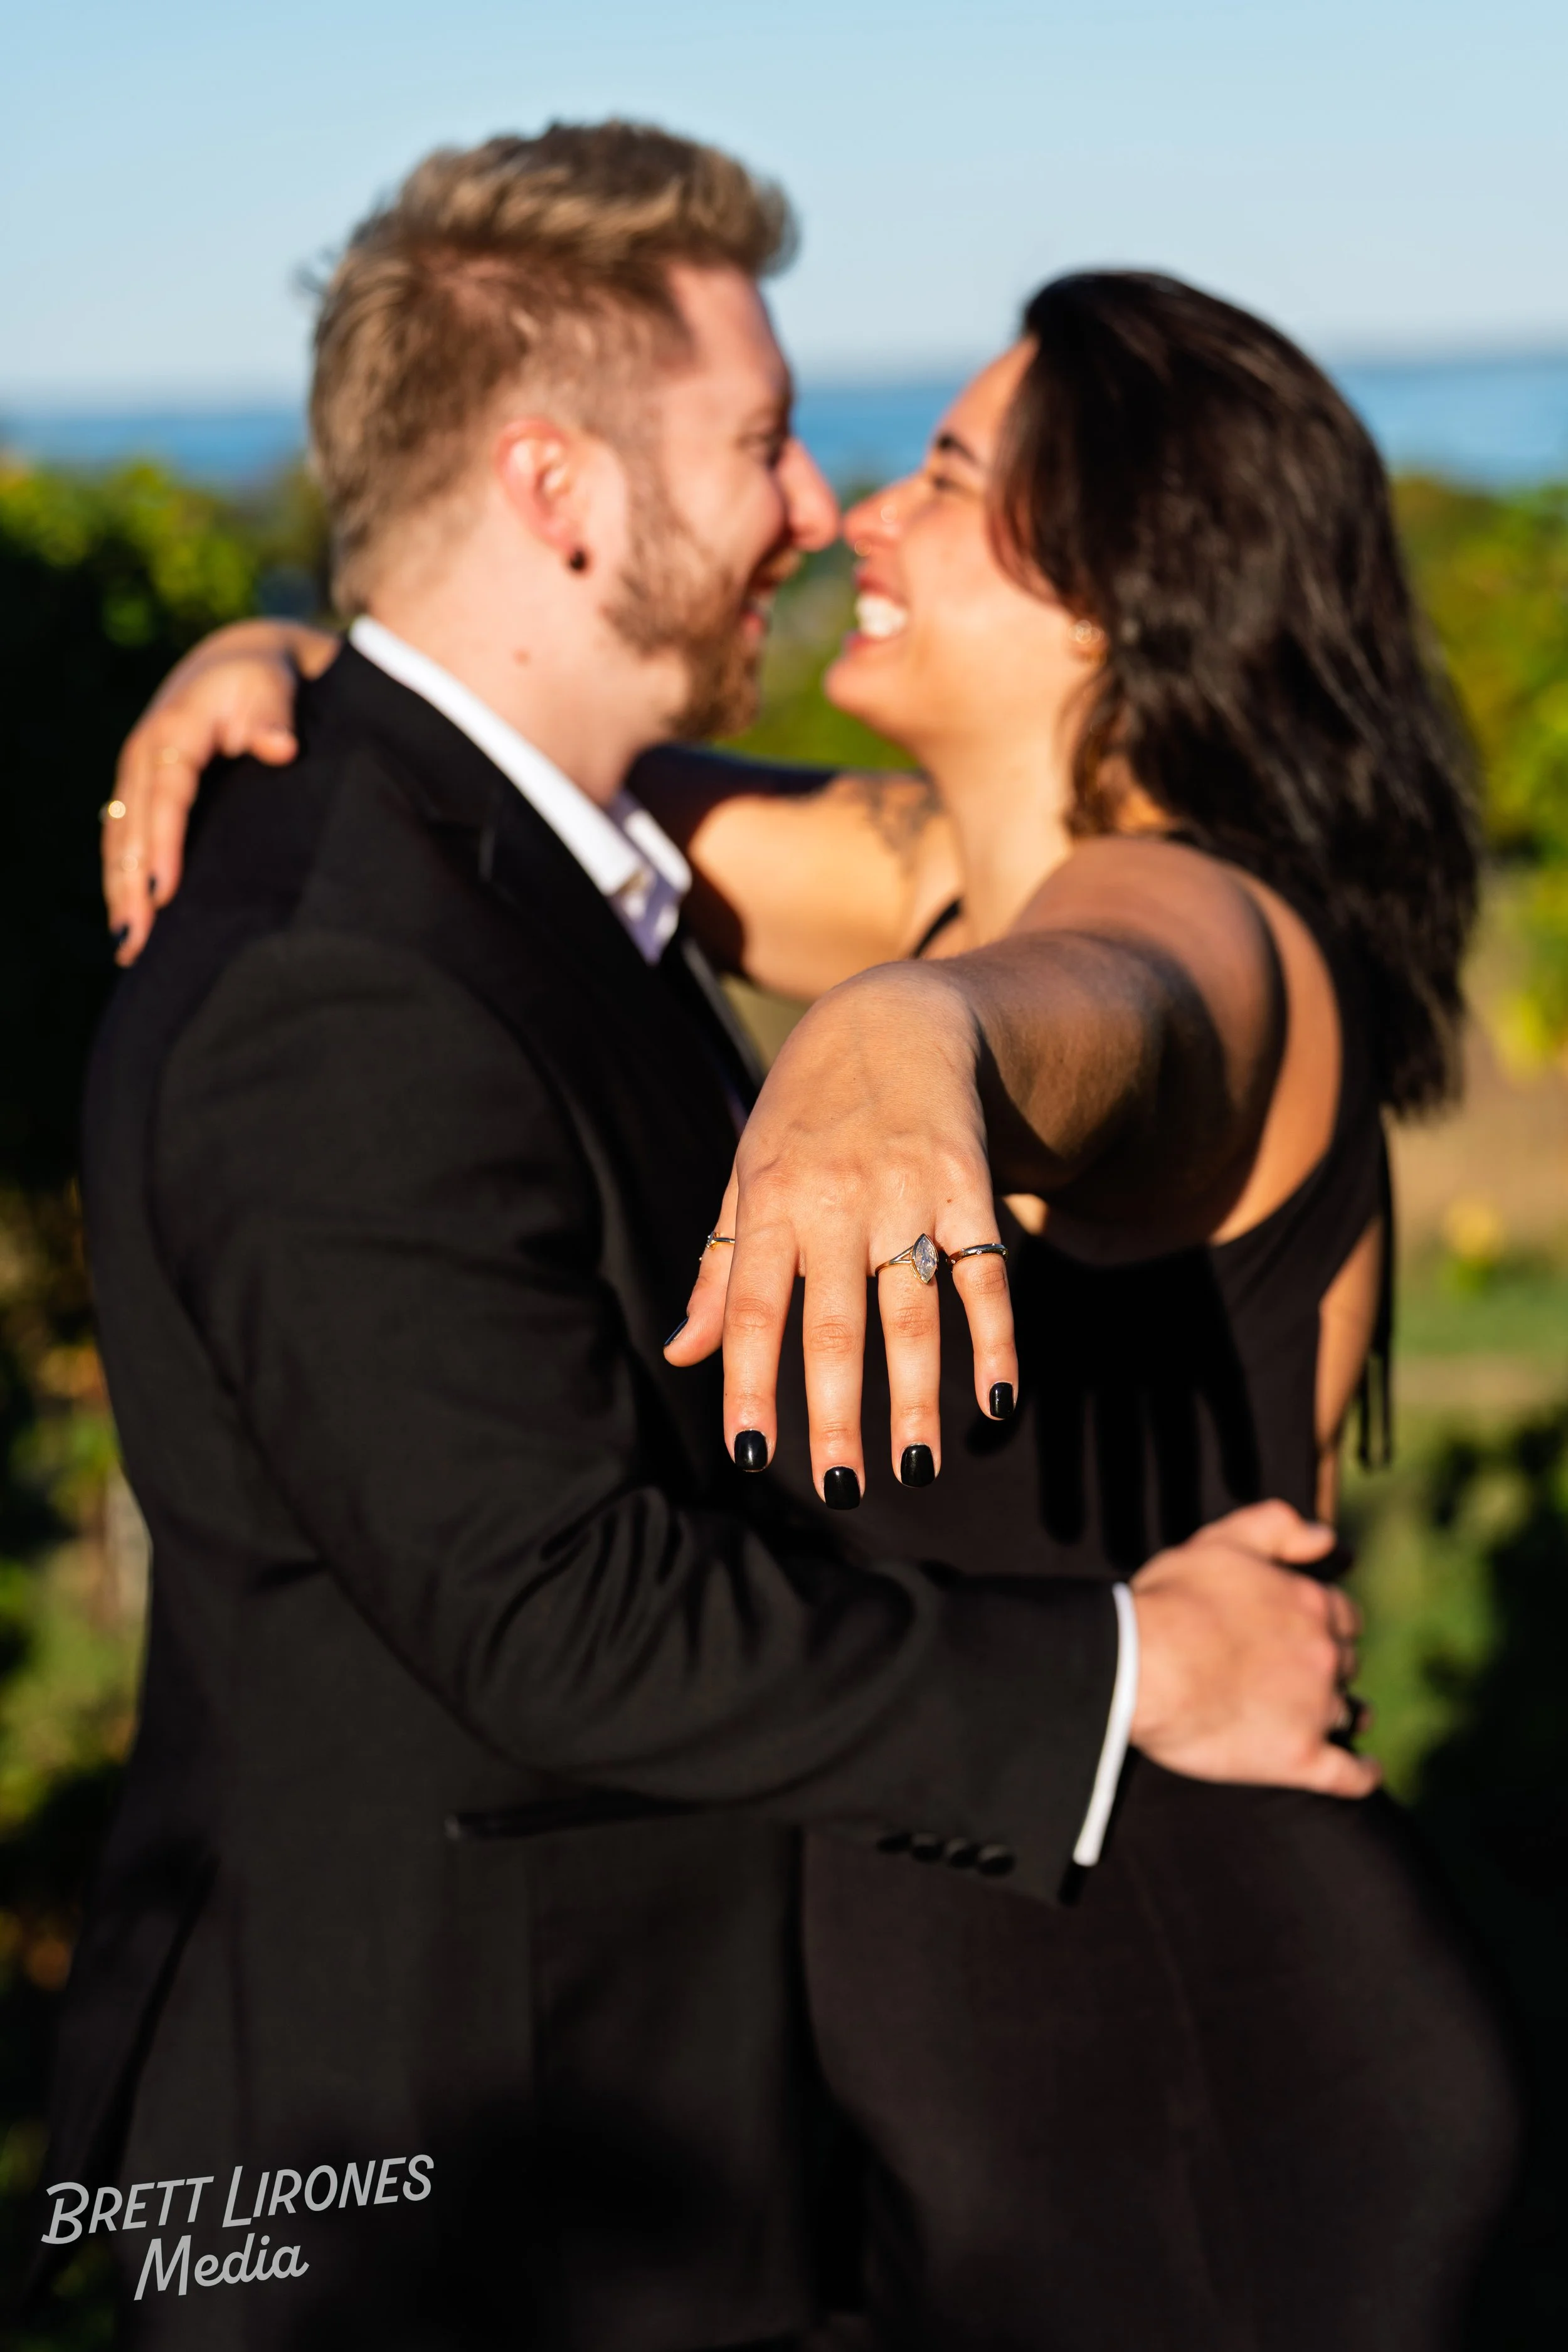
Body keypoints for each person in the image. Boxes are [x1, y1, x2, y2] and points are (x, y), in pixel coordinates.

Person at [120, 263, 1519, 2348]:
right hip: (962, 2087)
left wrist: (900, 1045)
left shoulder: (1198, 922)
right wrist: (271, 654)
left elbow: (1102, 1020)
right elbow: (490, 741)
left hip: (1187, 2047)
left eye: (950, 477)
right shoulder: (904, 867)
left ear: (1125, 587)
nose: (865, 509)